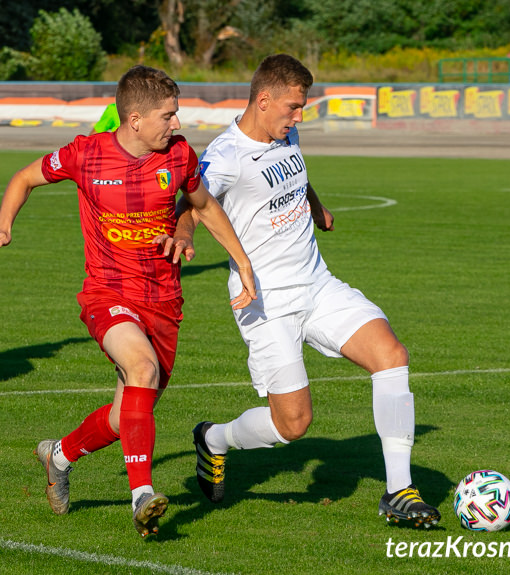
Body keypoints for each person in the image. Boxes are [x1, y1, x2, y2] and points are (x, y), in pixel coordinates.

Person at [0, 65, 256, 537]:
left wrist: (242, 263)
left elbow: (204, 206)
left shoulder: (180, 156)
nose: (176, 123)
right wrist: (4, 225)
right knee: (141, 369)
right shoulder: (84, 154)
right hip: (107, 292)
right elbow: (24, 178)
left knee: (130, 409)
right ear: (135, 120)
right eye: (168, 116)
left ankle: (59, 455)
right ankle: (142, 495)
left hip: (164, 300)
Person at [177, 54, 441, 528]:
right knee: (293, 426)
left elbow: (294, 171)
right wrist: (185, 234)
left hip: (317, 285)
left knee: (392, 356)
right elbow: (193, 198)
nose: (300, 118)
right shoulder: (225, 155)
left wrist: (315, 205)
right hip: (264, 302)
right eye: (294, 108)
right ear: (263, 100)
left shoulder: (286, 134)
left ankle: (399, 491)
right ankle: (214, 439)